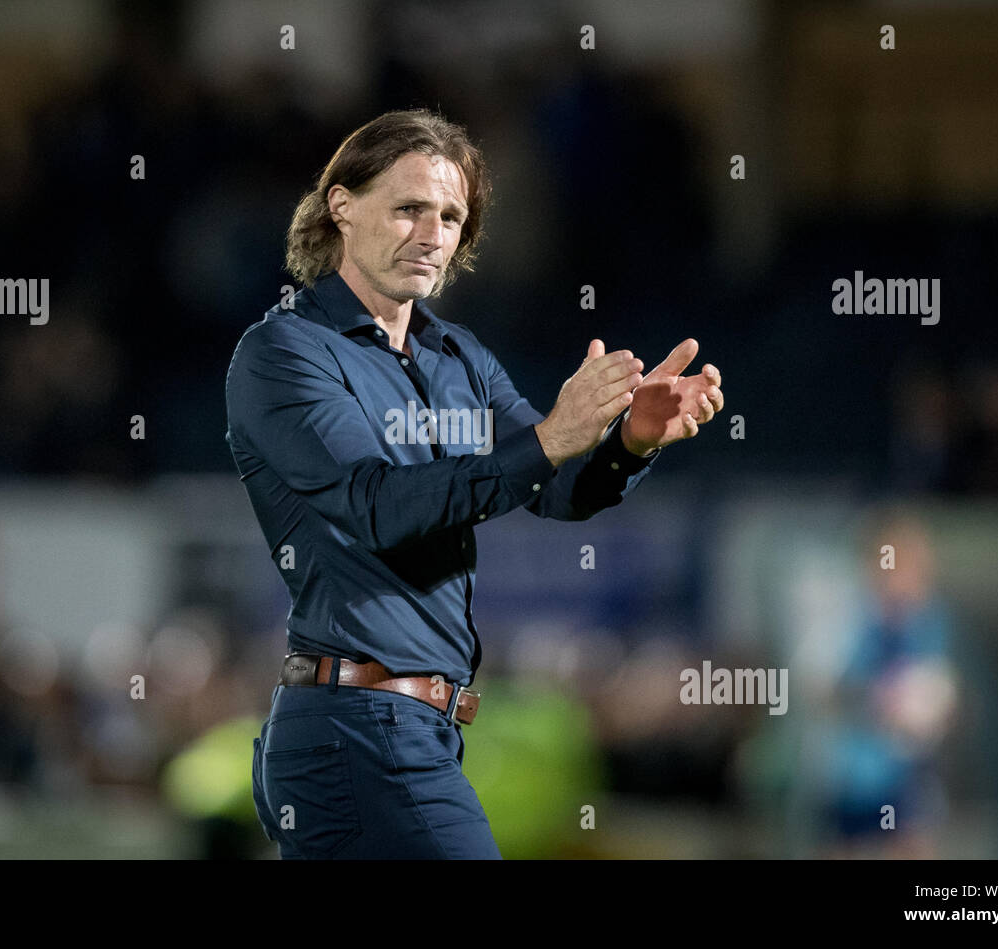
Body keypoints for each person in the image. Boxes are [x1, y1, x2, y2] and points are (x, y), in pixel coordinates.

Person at [226, 108, 724, 858]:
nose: (433, 234)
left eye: (452, 216)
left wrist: (627, 440)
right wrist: (553, 436)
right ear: (342, 206)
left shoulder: (458, 357)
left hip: (414, 728)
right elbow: (375, 506)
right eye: (409, 208)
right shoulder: (286, 352)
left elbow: (551, 485)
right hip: (356, 727)